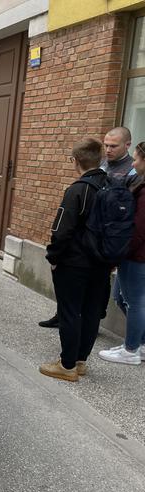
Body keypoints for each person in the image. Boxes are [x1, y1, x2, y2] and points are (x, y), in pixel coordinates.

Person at [39, 127, 136, 329]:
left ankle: (92, 319)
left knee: (98, 286)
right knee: (73, 285)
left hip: (105, 236)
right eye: (106, 145)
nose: (108, 150)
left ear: (127, 145)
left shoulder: (131, 170)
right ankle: (65, 315)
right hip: (84, 233)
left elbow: (126, 209)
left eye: (113, 146)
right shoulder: (99, 163)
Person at [39, 138, 112, 381]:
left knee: (70, 312)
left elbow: (61, 231)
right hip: (101, 262)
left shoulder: (77, 190)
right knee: (91, 311)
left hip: (75, 263)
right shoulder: (112, 185)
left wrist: (53, 257)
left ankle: (67, 366)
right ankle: (80, 361)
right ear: (99, 159)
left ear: (75, 161)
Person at [98, 141, 145, 365]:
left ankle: (131, 350)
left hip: (136, 256)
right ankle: (139, 343)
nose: (133, 164)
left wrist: (121, 252)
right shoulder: (140, 183)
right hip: (133, 255)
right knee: (120, 296)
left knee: (135, 302)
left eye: (136, 159)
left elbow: (138, 229)